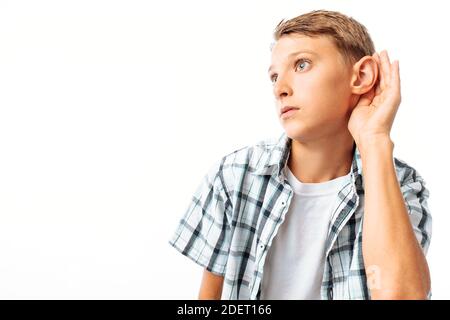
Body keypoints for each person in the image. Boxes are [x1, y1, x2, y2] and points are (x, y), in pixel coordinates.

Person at [168, 9, 432, 300]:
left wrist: (375, 140)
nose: (280, 88)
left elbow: (401, 295)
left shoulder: (402, 185)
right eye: (274, 77)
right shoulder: (235, 177)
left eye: (302, 64)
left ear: (362, 76)